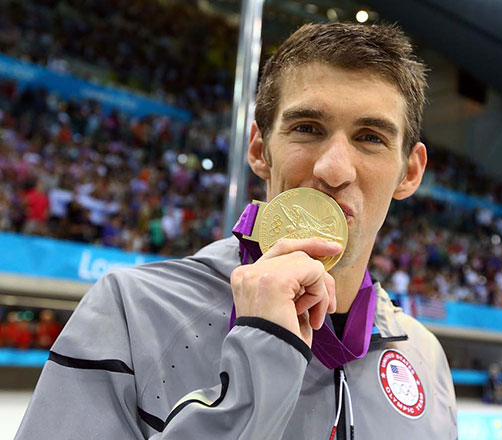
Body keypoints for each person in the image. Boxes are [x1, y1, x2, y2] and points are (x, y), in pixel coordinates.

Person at [16, 23, 457, 439]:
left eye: (370, 138)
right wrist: (261, 361)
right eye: (307, 129)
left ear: (410, 172)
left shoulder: (425, 357)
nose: (333, 169)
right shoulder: (132, 312)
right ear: (260, 149)